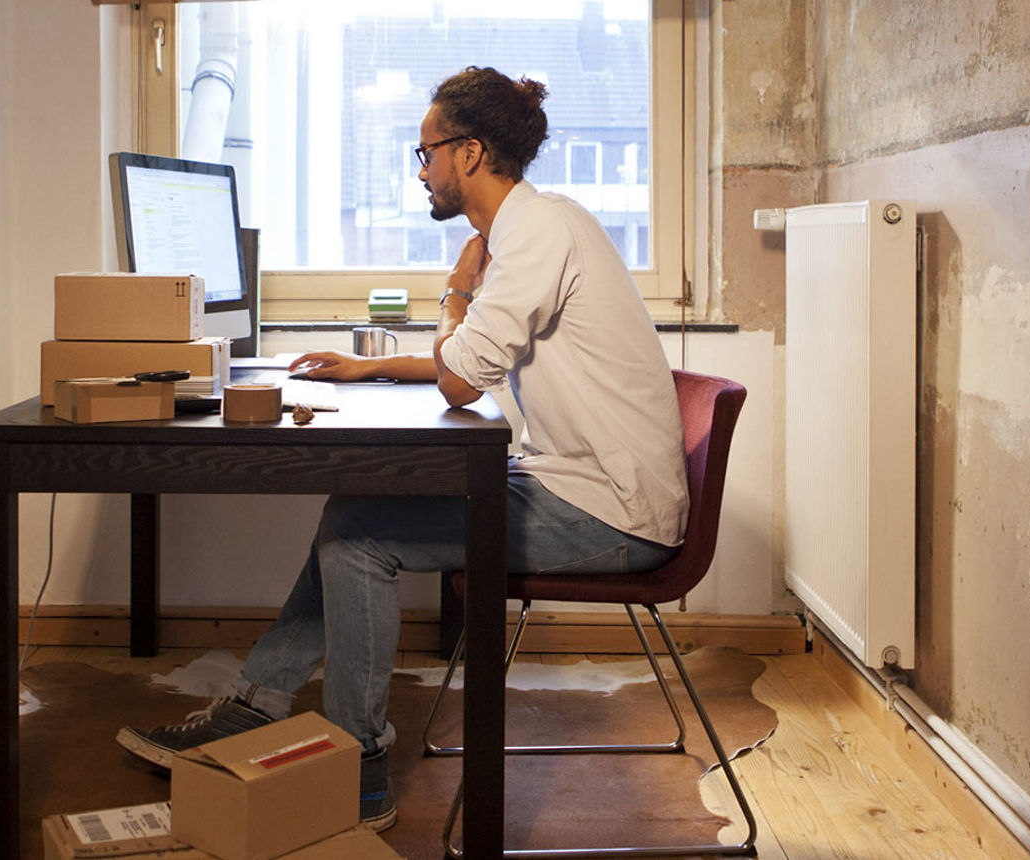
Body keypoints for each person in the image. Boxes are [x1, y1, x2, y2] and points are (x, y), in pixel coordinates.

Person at [116, 66, 688, 834]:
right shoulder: (535, 228)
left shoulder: (534, 235)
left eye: (426, 154)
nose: (422, 172)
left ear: (471, 153)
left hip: (611, 516)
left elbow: (460, 381)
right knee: (354, 507)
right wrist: (377, 365)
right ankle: (256, 705)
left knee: (358, 541)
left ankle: (359, 772)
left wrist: (457, 292)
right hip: (581, 485)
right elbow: (475, 360)